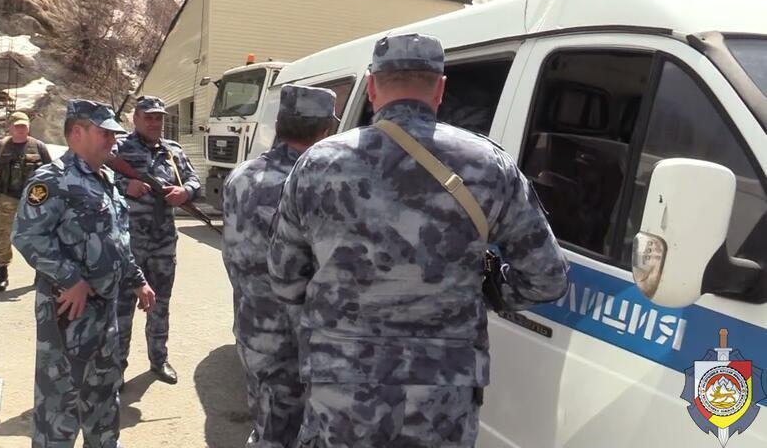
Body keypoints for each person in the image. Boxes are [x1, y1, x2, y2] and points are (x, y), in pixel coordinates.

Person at [267, 33, 570, 447]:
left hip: (342, 386)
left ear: (372, 87)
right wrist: (485, 290)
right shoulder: (489, 165)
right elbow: (547, 279)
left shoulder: (316, 164)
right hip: (442, 393)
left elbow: (285, 279)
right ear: (440, 89)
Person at [12, 99, 155, 448]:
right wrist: (70, 278)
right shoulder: (53, 179)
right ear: (77, 133)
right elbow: (27, 235)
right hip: (68, 313)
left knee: (104, 396)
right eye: (105, 133)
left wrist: (137, 280)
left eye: (114, 134)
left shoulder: (106, 179)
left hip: (106, 311)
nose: (113, 140)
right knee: (59, 403)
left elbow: (116, 239)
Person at [223, 85, 337, 447]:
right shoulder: (316, 183)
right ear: (325, 130)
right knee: (288, 431)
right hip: (294, 340)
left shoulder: (240, 175)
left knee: (266, 422)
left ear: (279, 124)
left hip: (252, 327)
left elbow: (232, 255)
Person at [112, 95, 201, 384]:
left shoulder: (173, 151)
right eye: (148, 117)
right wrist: (126, 184)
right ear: (135, 119)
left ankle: (159, 360)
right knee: (123, 307)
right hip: (129, 243)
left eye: (159, 118)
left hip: (163, 242)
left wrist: (185, 192)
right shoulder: (118, 148)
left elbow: (194, 180)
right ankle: (116, 368)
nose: (154, 123)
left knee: (161, 304)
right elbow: (98, 176)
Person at [0, 111, 51, 291]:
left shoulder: (39, 147)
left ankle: (40, 274)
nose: (21, 129)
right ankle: (2, 275)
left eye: (24, 126)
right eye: (17, 126)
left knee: (38, 237)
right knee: (3, 236)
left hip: (34, 200)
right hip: (6, 198)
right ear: (10, 127)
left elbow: (51, 175)